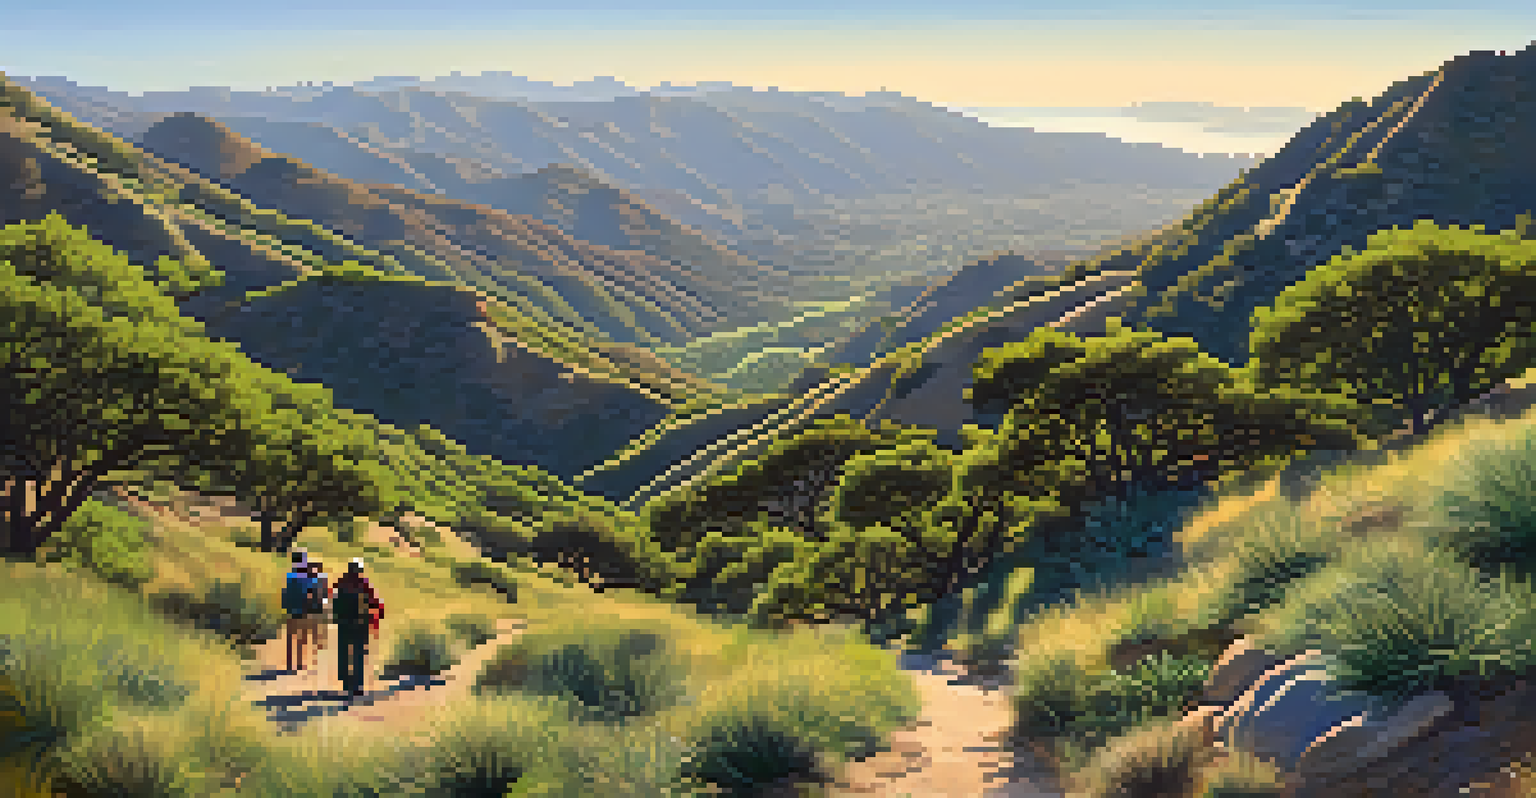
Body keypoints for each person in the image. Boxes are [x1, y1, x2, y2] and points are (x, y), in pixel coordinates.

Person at [332, 557, 384, 698]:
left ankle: (345, 681)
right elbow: (375, 602)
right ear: (360, 571)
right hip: (360, 624)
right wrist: (379, 614)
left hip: (343, 623)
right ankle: (357, 685)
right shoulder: (364, 584)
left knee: (343, 652)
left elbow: (333, 601)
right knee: (358, 654)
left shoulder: (341, 583)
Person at [282, 549, 318, 672]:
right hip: (303, 611)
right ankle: (299, 663)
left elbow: (285, 593)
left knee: (290, 638)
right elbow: (311, 593)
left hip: (291, 610)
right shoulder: (307, 578)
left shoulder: (289, 576)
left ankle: (289, 663)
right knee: (301, 639)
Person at [307, 560, 330, 652]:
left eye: (315, 568)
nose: (314, 570)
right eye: (313, 569)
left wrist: (325, 600)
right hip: (313, 605)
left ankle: (322, 640)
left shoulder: (322, 578)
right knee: (314, 624)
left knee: (322, 623)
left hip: (320, 604)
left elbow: (325, 590)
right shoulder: (309, 579)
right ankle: (316, 641)